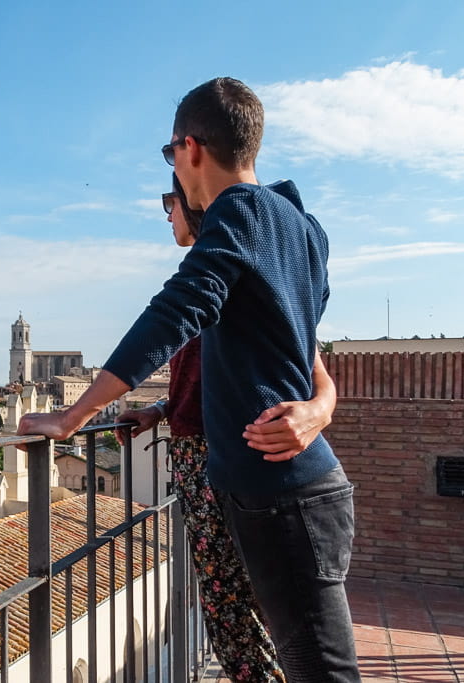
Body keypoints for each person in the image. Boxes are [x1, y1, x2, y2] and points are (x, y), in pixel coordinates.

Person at [18, 77, 360, 681]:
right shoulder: (302, 225)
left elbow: (174, 311)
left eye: (169, 153)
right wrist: (319, 406)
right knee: (311, 663)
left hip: (280, 495)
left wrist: (71, 416)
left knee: (320, 671)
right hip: (302, 488)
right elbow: (300, 341)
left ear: (190, 148)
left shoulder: (240, 210)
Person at [114, 173, 337, 681]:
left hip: (224, 460)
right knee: (241, 608)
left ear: (193, 201)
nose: (167, 215)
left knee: (238, 611)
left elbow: (310, 367)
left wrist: (71, 416)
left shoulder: (225, 269)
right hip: (213, 455)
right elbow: (214, 375)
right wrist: (162, 409)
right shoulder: (221, 271)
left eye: (169, 202)